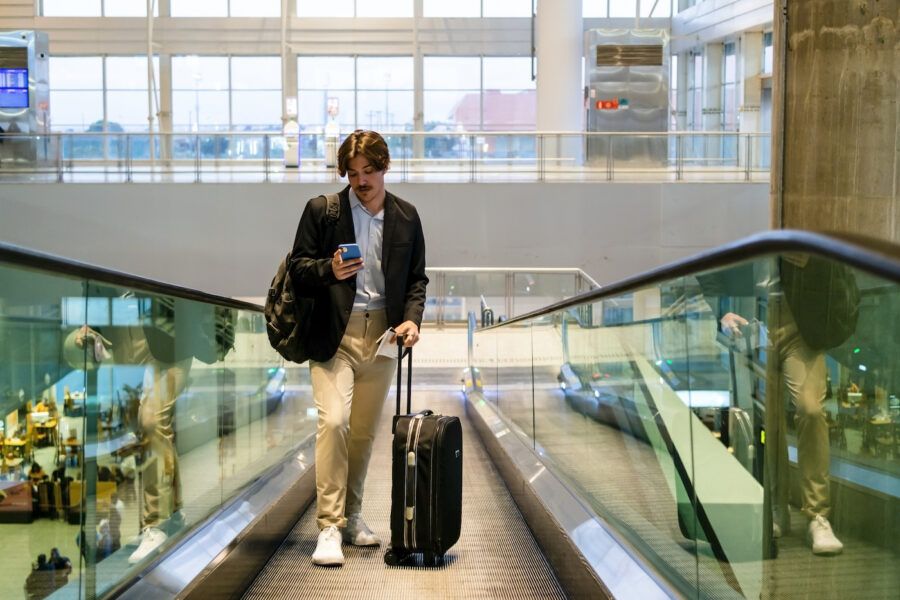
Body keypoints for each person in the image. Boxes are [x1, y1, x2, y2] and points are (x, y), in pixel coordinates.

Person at [290, 129, 428, 566]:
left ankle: (351, 515)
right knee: (334, 422)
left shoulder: (405, 216)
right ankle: (328, 526)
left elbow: (417, 279)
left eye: (369, 171)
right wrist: (329, 269)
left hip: (383, 336)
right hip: (335, 334)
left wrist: (412, 318)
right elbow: (297, 269)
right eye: (352, 173)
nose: (361, 181)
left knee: (364, 433)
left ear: (384, 167)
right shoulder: (323, 212)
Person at [702, 256, 848, 556]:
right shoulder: (743, 217)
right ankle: (775, 507)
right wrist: (723, 309)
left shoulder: (798, 218)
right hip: (754, 317)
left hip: (800, 321)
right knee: (769, 420)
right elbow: (714, 262)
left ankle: (817, 515)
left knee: (810, 409)